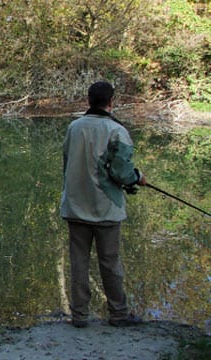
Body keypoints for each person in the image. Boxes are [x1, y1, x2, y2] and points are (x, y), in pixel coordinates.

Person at [60, 81, 146, 328]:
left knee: (79, 263)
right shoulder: (117, 131)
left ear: (88, 100)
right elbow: (122, 173)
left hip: (75, 207)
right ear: (111, 102)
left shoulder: (74, 127)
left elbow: (66, 165)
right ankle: (118, 315)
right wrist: (138, 178)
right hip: (106, 209)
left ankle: (79, 316)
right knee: (109, 263)